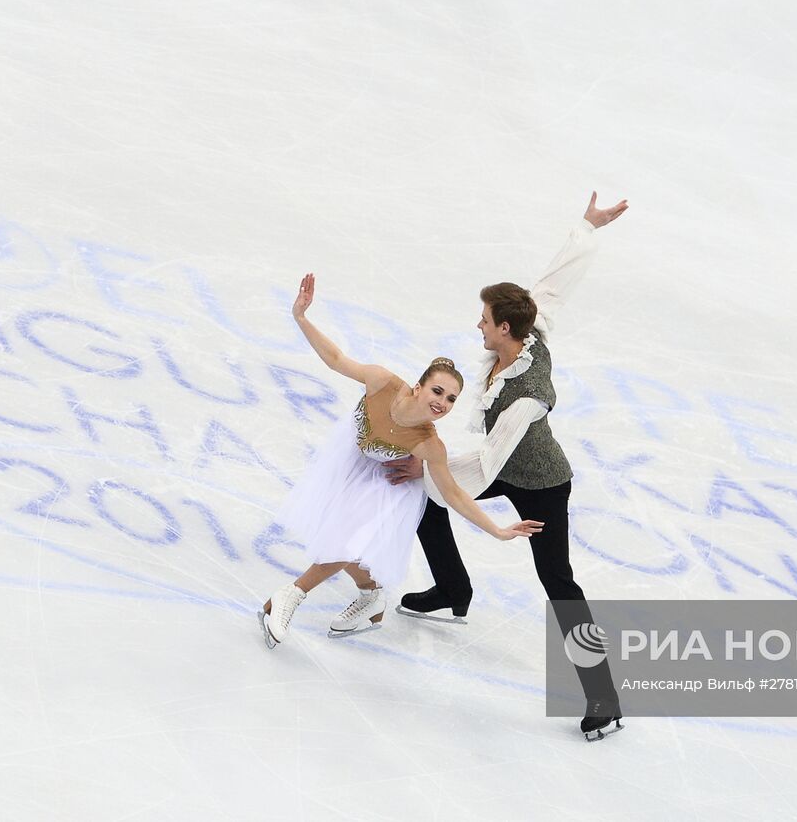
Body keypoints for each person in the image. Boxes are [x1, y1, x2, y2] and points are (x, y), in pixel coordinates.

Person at [384, 191, 629, 739]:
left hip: (540, 485)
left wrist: (427, 469)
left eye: (486, 320)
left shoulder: (524, 398)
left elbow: (491, 460)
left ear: (505, 331)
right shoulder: (529, 329)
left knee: (557, 580)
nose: (479, 325)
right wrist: (586, 227)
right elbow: (552, 284)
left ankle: (604, 696)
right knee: (427, 503)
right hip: (508, 466)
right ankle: (453, 588)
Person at [258, 273, 542, 648]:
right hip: (355, 459)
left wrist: (498, 530)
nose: (442, 402)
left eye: (452, 399)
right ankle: (372, 595)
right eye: (438, 391)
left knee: (347, 536)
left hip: (393, 483)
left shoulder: (430, 446)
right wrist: (302, 317)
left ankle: (288, 597)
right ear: (418, 387)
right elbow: (336, 359)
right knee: (343, 538)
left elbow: (454, 495)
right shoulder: (382, 382)